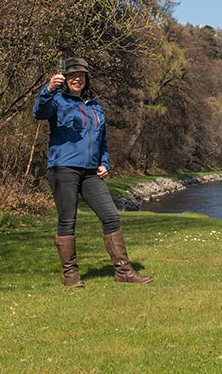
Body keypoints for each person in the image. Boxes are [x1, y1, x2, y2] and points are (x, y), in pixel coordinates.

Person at [33, 57, 153, 286]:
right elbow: (39, 112)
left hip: (90, 172)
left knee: (110, 216)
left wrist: (105, 163)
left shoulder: (94, 105)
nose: (77, 79)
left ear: (87, 78)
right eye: (72, 75)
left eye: (81, 75)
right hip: (63, 167)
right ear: (65, 78)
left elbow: (102, 140)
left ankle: (123, 272)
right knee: (68, 220)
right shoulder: (56, 100)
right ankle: (71, 275)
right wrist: (47, 89)